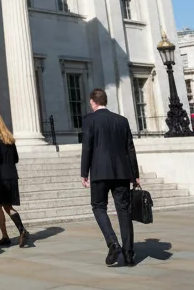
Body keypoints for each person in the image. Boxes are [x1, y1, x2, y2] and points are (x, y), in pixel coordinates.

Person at [80, 87, 139, 268]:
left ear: (93, 102)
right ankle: (129, 255)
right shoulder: (122, 120)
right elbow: (130, 148)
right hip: (122, 172)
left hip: (99, 172)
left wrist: (84, 173)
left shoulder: (89, 120)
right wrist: (135, 175)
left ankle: (113, 243)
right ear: (105, 101)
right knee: (124, 211)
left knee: (98, 207)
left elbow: (87, 147)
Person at [0, 111, 29, 248]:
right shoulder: (9, 138)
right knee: (8, 206)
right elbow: (16, 159)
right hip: (12, 175)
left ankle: (6, 236)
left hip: (0, 177)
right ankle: (21, 229)